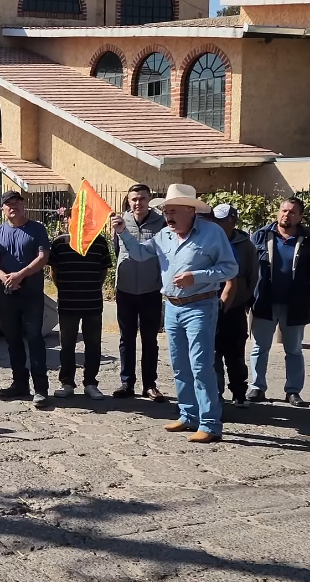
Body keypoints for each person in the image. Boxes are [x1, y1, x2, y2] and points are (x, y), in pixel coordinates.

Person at [111, 184, 238, 443]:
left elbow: (230, 268)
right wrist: (123, 232)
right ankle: (188, 415)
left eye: (172, 211)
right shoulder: (164, 235)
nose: (167, 216)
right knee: (180, 366)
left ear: (190, 211)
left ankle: (210, 424)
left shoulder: (212, 233)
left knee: (201, 366)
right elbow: (138, 254)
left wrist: (197, 276)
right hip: (171, 306)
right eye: (166, 210)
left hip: (200, 306)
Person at [249, 197, 310, 407]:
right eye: (283, 210)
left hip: (295, 305)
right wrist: (249, 298)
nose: (286, 215)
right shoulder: (261, 236)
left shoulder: (309, 240)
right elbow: (248, 268)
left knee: (293, 350)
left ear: (300, 216)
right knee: (259, 347)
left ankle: (293, 391)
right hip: (264, 302)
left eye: (292, 212)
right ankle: (257, 387)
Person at [0, 190, 53, 408]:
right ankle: (20, 384)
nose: (13, 206)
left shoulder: (36, 230)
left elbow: (43, 258)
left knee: (34, 337)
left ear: (23, 206)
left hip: (31, 294)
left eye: (17, 203)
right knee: (13, 339)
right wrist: (4, 277)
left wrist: (20, 275)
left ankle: (41, 389)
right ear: (3, 209)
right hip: (7, 295)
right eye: (9, 204)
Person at [48, 210, 113, 400]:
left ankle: (91, 383)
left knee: (93, 345)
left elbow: (103, 272)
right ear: (69, 220)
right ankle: (67, 383)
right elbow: (54, 272)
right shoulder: (60, 243)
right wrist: (66, 289)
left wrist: (91, 288)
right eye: (76, 217)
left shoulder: (99, 242)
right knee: (67, 345)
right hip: (68, 303)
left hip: (92, 303)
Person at [112, 183, 167, 402]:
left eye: (142, 199)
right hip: (125, 289)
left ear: (149, 199)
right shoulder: (120, 222)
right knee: (126, 338)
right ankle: (127, 383)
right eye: (134, 199)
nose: (138, 203)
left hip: (150, 289)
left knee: (149, 339)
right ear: (128, 200)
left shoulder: (161, 223)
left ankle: (150, 385)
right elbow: (118, 250)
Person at [208, 204, 258, 408]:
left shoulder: (246, 245)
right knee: (212, 354)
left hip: (235, 308)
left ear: (233, 221)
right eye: (216, 220)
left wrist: (245, 299)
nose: (218, 224)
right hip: (210, 306)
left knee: (235, 353)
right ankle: (216, 393)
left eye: (223, 220)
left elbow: (253, 275)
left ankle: (239, 393)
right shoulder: (208, 241)